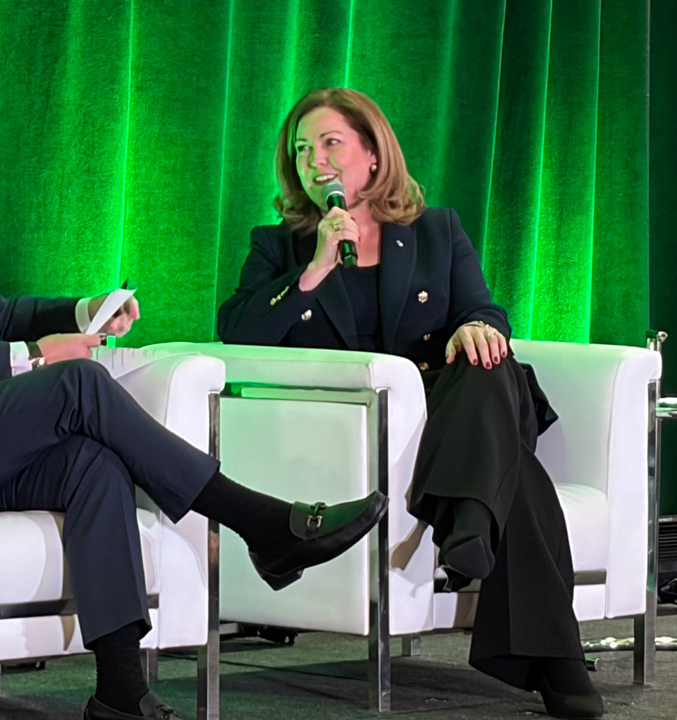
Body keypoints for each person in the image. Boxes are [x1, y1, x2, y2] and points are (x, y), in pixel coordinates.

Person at [0, 62, 387, 720]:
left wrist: (83, 311)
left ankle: (120, 693)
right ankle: (260, 521)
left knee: (92, 464)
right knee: (77, 381)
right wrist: (36, 356)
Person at [217, 87, 603, 720]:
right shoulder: (277, 247)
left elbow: (484, 309)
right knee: (517, 474)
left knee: (488, 357)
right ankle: (481, 535)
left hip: (455, 408)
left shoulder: (435, 230)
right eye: (302, 150)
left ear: (373, 153)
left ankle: (471, 518)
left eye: (331, 143)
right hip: (371, 429)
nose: (316, 161)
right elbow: (236, 334)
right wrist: (312, 271)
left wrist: (474, 328)